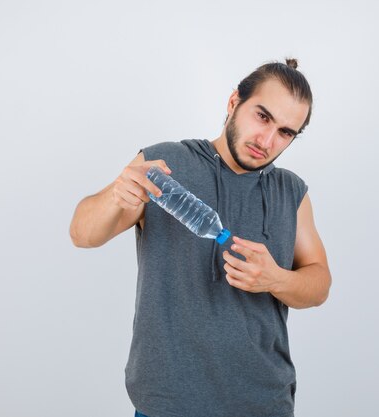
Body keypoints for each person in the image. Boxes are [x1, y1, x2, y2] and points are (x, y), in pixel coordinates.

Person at [69, 58, 332, 417]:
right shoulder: (164, 166)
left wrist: (276, 278)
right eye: (263, 116)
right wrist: (118, 191)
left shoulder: (291, 192)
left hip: (263, 404)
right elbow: (82, 234)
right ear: (233, 102)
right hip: (167, 405)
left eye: (286, 132)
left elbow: (319, 284)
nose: (267, 140)